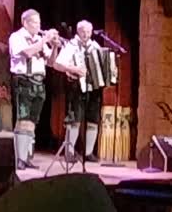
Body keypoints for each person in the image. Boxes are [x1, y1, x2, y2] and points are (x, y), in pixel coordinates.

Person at [9, 9, 61, 170]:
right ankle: (20, 158)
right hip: (24, 80)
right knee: (23, 119)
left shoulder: (39, 39)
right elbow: (27, 52)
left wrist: (54, 47)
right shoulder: (16, 37)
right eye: (35, 23)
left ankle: (27, 157)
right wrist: (45, 40)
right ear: (25, 22)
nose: (39, 26)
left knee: (32, 121)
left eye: (39, 23)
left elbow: (51, 63)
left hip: (39, 82)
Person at [53, 20, 102, 163]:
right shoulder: (71, 46)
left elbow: (101, 63)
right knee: (75, 119)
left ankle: (88, 153)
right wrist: (73, 69)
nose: (86, 35)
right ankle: (69, 151)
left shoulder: (95, 46)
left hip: (93, 87)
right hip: (76, 86)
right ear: (77, 32)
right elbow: (57, 64)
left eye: (88, 32)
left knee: (93, 119)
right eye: (83, 32)